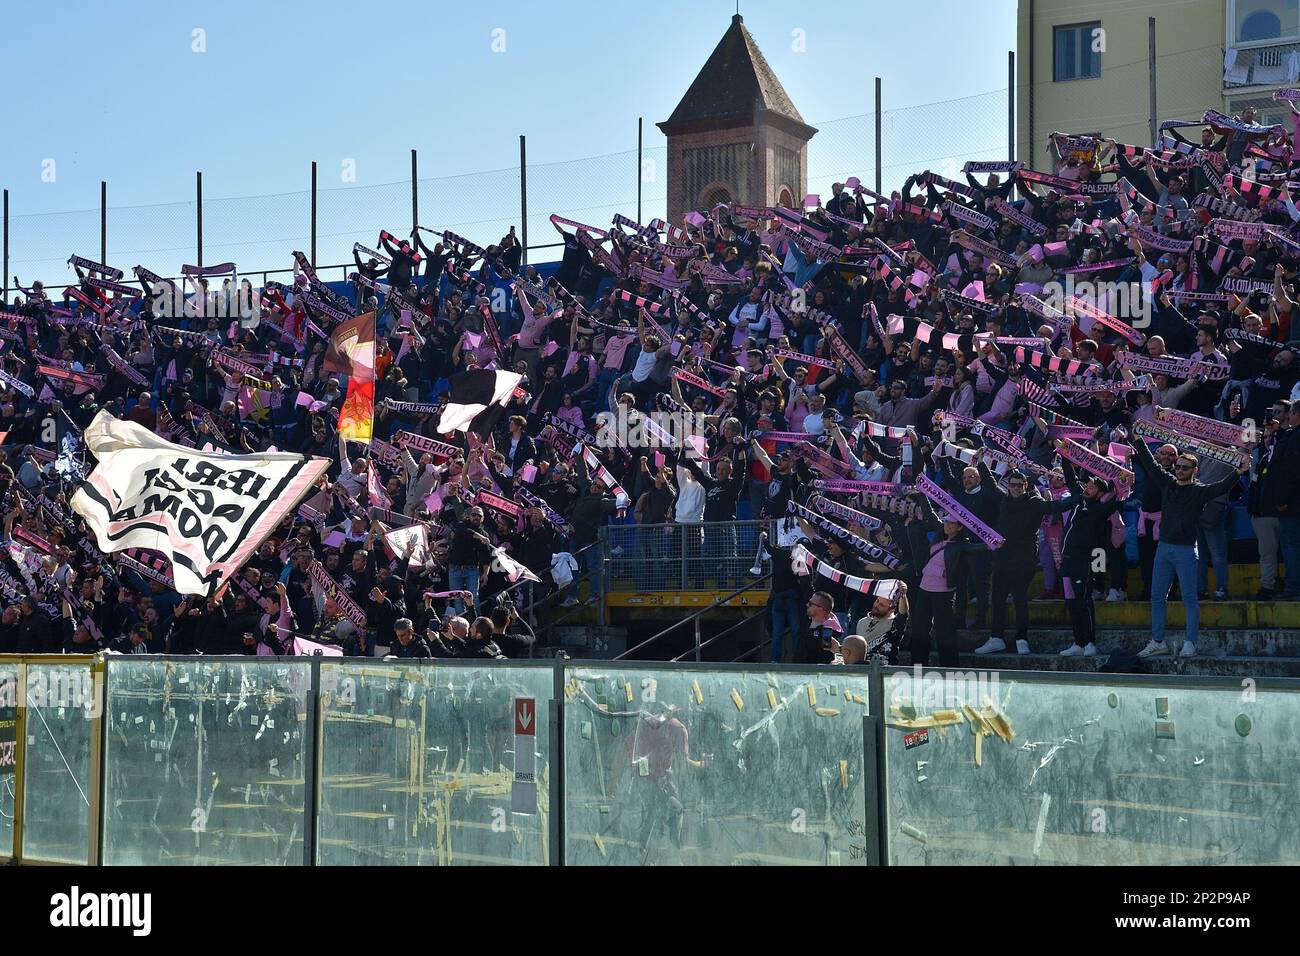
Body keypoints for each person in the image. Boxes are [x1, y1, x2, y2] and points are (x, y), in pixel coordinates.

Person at [1132, 440, 1250, 658]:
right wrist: (1139, 439)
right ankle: (1157, 641)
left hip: (1186, 550)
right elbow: (1150, 462)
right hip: (1164, 548)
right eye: (1178, 466)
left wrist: (1239, 472)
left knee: (1189, 599)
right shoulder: (1168, 483)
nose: (1179, 470)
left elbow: (1222, 486)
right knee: (1157, 597)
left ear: (1195, 471)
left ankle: (1190, 642)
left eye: (1185, 468)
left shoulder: (1200, 491)